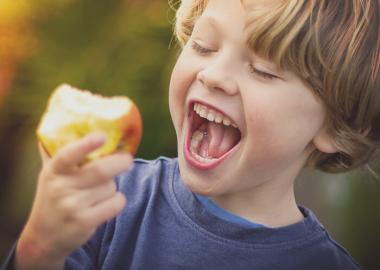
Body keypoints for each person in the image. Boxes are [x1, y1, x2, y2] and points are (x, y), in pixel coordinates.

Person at [1, 0, 378, 269]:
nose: (212, 75)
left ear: (334, 126)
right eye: (203, 46)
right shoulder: (108, 203)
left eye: (263, 70)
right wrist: (40, 248)